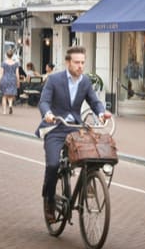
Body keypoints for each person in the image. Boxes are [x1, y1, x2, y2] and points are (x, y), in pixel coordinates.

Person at [35, 46, 111, 223]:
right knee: (53, 165)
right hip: (55, 127)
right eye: (77, 62)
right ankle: (49, 200)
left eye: (83, 62)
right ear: (68, 62)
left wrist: (101, 113)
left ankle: (88, 182)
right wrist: (47, 113)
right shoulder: (54, 79)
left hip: (75, 127)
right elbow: (44, 101)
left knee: (92, 155)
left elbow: (94, 101)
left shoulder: (84, 82)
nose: (80, 66)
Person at [0, 49, 20, 115]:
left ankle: (4, 111)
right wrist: (18, 82)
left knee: (4, 96)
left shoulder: (3, 63)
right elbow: (17, 73)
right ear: (12, 55)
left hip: (5, 79)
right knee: (10, 95)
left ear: (6, 55)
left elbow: (1, 73)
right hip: (12, 79)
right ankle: (10, 105)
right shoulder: (16, 63)